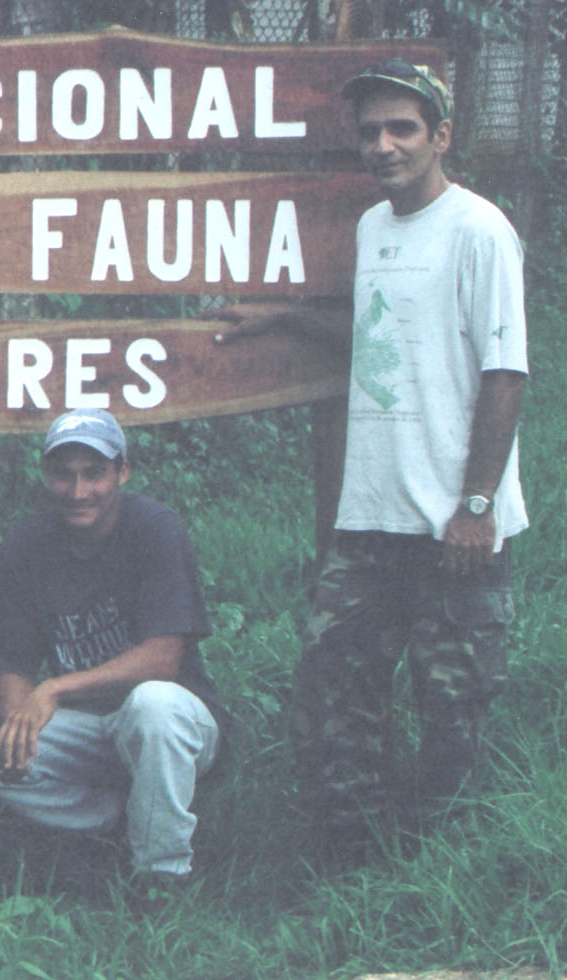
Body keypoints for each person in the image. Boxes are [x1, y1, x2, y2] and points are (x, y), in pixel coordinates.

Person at [216, 61, 528, 858]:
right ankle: (352, 864)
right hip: (372, 516)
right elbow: (376, 339)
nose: (382, 145)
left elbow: (505, 372)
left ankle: (445, 868)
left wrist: (477, 505)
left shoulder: (479, 229)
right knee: (333, 690)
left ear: (441, 136)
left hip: (454, 522)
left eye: (402, 129)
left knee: (451, 705)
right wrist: (284, 317)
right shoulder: (373, 229)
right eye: (369, 132)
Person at [0, 409, 222, 890]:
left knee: (153, 705)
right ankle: (117, 824)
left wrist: (54, 687)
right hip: (85, 729)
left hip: (175, 724)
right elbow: (11, 666)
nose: (79, 492)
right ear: (46, 475)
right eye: (64, 475)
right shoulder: (25, 544)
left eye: (94, 473)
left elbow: (164, 658)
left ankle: (161, 875)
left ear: (123, 470)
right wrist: (18, 727)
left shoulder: (155, 527)